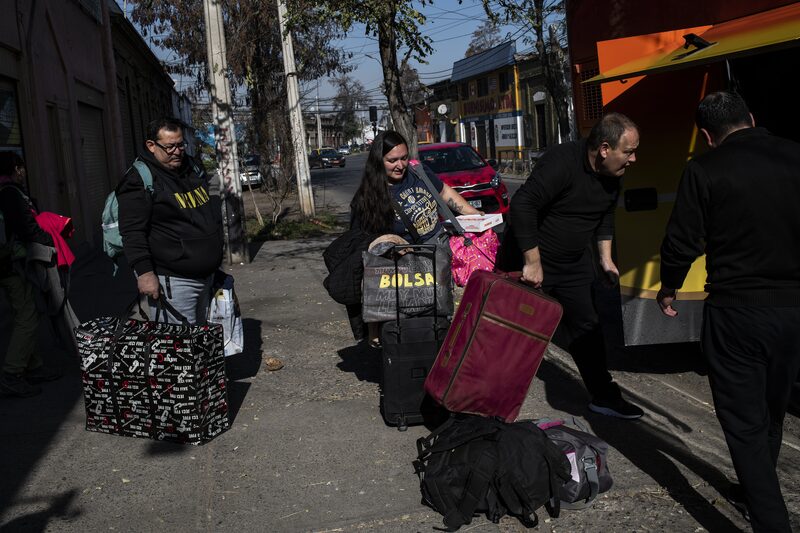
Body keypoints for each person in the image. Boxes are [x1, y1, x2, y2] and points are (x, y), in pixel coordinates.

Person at [657, 91, 800, 532]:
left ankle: (770, 518)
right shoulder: (796, 155)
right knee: (773, 407)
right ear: (752, 118)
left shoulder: (703, 169)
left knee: (743, 422)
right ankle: (759, 488)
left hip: (736, 313)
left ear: (706, 136)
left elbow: (683, 239)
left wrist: (669, 287)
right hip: (794, 311)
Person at [506, 112, 644, 419]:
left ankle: (604, 396)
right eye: (629, 151)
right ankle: (490, 398)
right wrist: (532, 262)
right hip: (532, 261)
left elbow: (605, 214)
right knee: (514, 333)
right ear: (605, 148)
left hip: (573, 265)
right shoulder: (561, 162)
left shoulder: (613, 174)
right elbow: (522, 204)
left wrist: (605, 259)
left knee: (588, 329)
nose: (633, 159)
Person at [348, 130, 480, 344]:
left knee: (442, 312)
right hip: (406, 267)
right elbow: (365, 249)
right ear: (378, 161)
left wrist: (472, 213)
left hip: (438, 255)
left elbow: (444, 192)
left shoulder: (418, 171)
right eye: (392, 160)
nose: (400, 165)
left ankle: (438, 357)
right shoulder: (367, 198)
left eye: (403, 158)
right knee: (415, 319)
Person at [117, 118, 223, 325]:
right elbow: (132, 233)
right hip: (174, 283)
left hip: (208, 277)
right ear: (151, 145)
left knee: (205, 344)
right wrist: (145, 274)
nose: (177, 151)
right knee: (180, 350)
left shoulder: (192, 167)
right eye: (169, 146)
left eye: (180, 144)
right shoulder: (139, 180)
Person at [0, 152, 62, 397]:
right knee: (27, 316)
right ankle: (12, 373)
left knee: (24, 313)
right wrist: (51, 242)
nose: (24, 172)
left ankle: (32, 365)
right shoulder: (10, 194)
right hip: (13, 266)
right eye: (22, 167)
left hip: (7, 264)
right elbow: (26, 228)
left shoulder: (5, 192)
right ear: (16, 169)